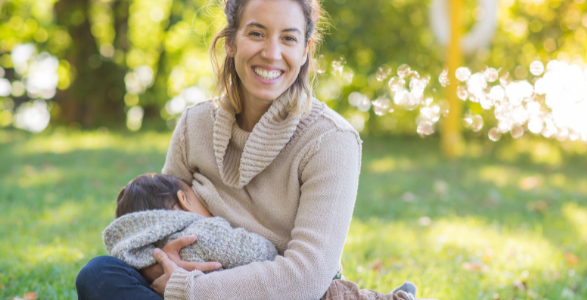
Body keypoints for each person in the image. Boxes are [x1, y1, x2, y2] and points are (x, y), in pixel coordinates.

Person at [76, 0, 412, 298]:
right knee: (99, 274)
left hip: (277, 294)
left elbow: (306, 277)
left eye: (289, 38)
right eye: (256, 33)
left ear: (306, 50)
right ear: (231, 41)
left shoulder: (331, 140)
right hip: (196, 281)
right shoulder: (195, 125)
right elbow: (158, 223)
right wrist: (160, 267)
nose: (272, 52)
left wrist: (191, 289)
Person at [102, 173, 417, 300]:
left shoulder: (137, 250)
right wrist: (273, 250)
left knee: (99, 273)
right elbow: (248, 248)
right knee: (335, 293)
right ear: (185, 201)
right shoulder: (198, 231)